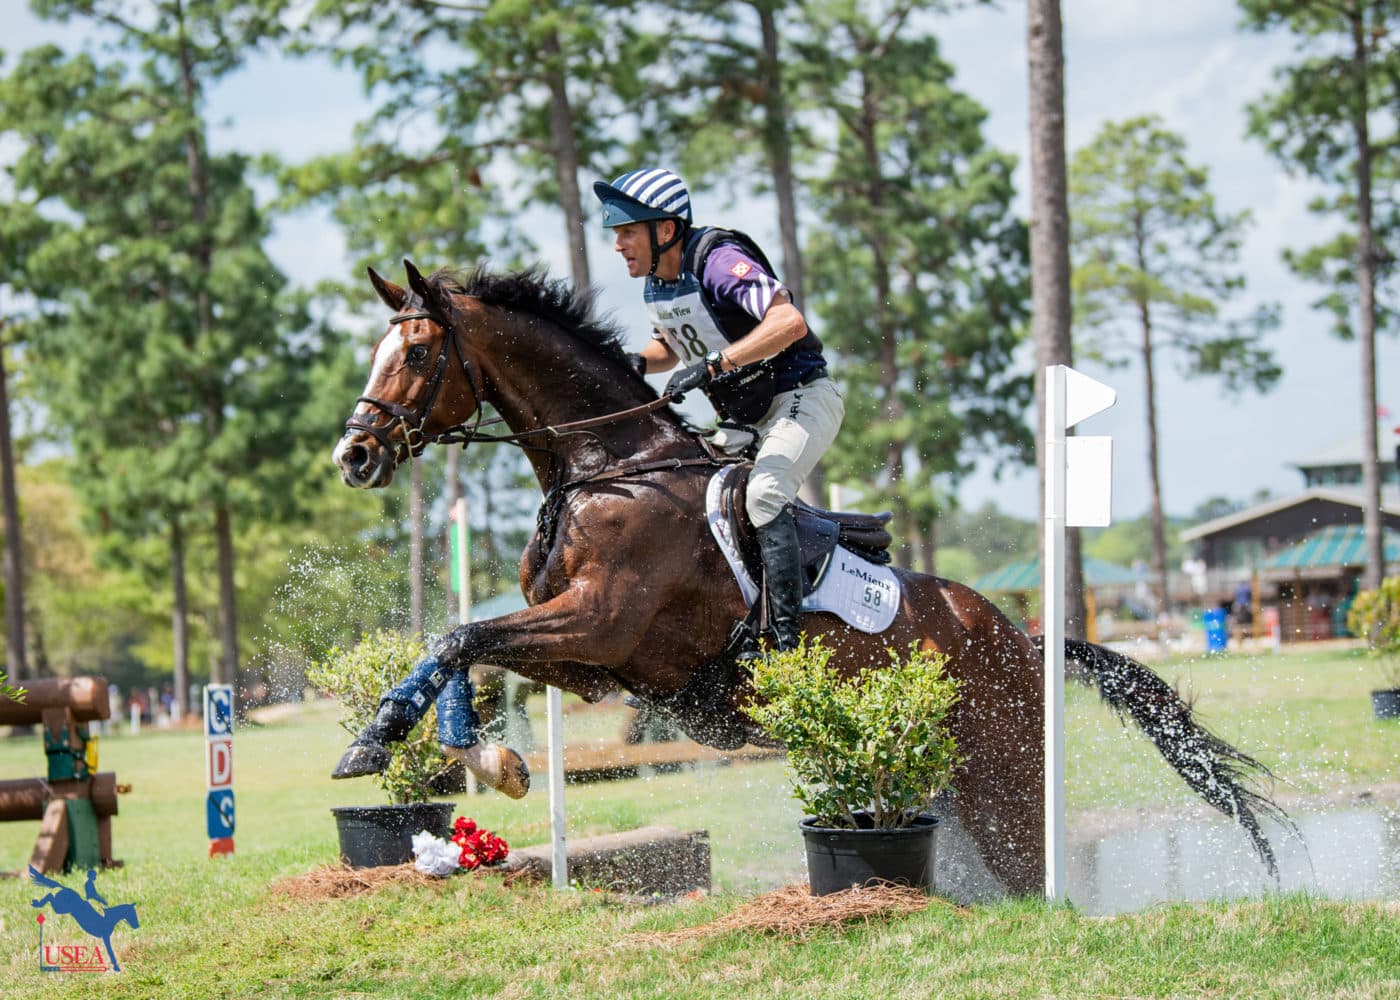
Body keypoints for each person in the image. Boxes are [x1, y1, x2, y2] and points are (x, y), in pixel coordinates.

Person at [594, 167, 844, 658]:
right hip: (744, 422)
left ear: (665, 230)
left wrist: (716, 365)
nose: (618, 245)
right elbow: (671, 346)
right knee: (680, 492)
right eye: (616, 235)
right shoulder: (655, 285)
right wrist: (639, 362)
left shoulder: (717, 260)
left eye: (627, 232)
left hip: (799, 400)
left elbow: (788, 321)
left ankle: (785, 648)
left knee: (766, 495)